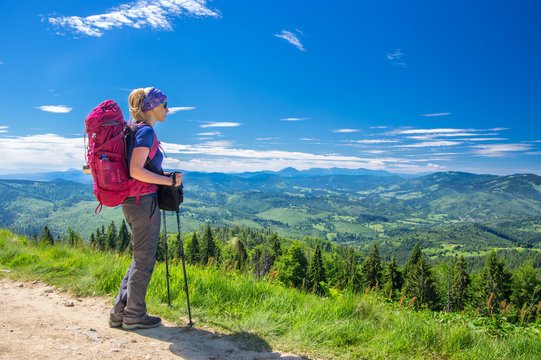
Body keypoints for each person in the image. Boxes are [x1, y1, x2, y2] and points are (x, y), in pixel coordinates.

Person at [109, 87, 183, 330]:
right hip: (143, 203)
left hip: (132, 202)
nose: (167, 109)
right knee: (144, 260)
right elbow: (136, 170)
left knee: (138, 258)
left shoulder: (133, 130)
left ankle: (120, 313)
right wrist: (169, 180)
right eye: (164, 104)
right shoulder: (145, 132)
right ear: (151, 106)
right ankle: (134, 316)